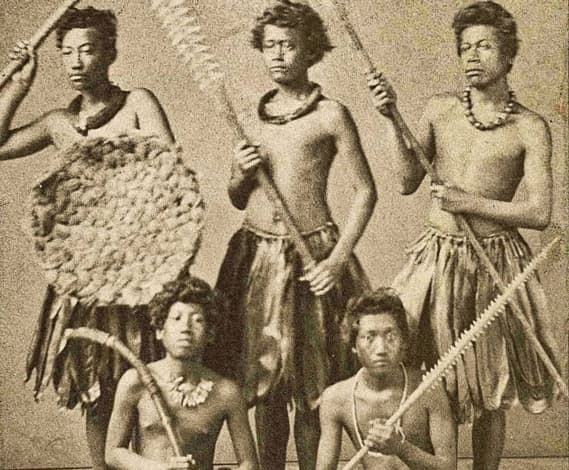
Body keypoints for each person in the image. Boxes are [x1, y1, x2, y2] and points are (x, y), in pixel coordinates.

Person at [367, 2, 560, 469]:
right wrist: (393, 118)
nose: (472, 56)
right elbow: (406, 181)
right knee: (430, 375)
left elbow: (539, 212)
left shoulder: (530, 127)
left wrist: (469, 202)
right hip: (435, 260)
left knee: (490, 387)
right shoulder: (440, 110)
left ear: (509, 56)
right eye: (465, 48)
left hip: (495, 265)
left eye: (485, 46)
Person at [0, 7, 175, 469]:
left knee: (145, 377)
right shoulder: (60, 122)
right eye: (67, 52)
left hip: (140, 267)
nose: (76, 61)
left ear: (109, 53)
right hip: (84, 273)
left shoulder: (138, 103)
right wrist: (18, 87)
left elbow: (169, 169)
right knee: (96, 380)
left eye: (88, 50)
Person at [207, 1, 377, 468]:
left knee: (310, 385)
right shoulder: (249, 114)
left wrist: (337, 260)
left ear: (310, 50)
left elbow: (366, 192)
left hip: (313, 258)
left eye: (289, 45)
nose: (278, 55)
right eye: (270, 46)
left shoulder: (331, 115)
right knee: (263, 383)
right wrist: (240, 174)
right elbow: (236, 198)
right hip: (254, 257)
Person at [106, 276, 259, 470]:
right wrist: (159, 469)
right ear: (160, 330)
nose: (186, 328)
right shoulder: (136, 381)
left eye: (197, 320)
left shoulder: (227, 393)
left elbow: (249, 464)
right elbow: (113, 452)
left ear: (210, 333)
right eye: (176, 318)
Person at [316, 288, 456, 470]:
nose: (381, 348)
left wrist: (400, 448)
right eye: (369, 337)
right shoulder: (335, 398)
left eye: (391, 336)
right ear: (354, 345)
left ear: (404, 341)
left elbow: (449, 468)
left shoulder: (429, 387)